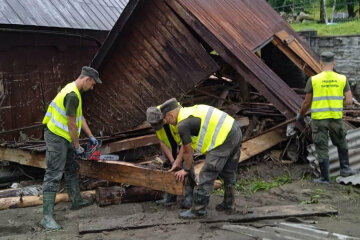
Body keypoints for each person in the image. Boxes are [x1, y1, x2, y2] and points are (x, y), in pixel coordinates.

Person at [40, 66, 102, 230]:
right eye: (93, 84)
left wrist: (91, 136)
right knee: (53, 173)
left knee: (71, 168)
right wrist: (77, 146)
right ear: (87, 79)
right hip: (56, 136)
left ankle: (76, 200)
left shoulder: (74, 90)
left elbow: (80, 115)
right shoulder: (72, 94)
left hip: (64, 135)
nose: (93, 87)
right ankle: (46, 217)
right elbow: (71, 124)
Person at [160, 98, 242, 219]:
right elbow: (185, 147)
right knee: (228, 171)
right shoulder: (190, 112)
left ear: (171, 114)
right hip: (234, 130)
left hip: (223, 139)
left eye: (166, 119)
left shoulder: (182, 125)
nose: (167, 122)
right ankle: (229, 204)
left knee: (207, 174)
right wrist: (177, 162)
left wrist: (186, 170)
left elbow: (188, 151)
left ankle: (198, 210)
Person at [297, 51, 357, 184]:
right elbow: (349, 101)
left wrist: (300, 115)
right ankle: (345, 168)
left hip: (319, 120)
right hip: (335, 118)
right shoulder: (342, 79)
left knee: (321, 146)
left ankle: (325, 177)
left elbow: (307, 102)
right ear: (334, 63)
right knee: (341, 142)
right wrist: (335, 102)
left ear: (321, 63)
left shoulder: (314, 80)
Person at [146, 106, 195, 209]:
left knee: (187, 166)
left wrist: (178, 159)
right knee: (170, 168)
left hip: (182, 144)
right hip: (170, 145)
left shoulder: (173, 114)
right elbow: (161, 141)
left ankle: (190, 196)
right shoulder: (153, 119)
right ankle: (171, 197)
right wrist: (172, 161)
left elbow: (185, 144)